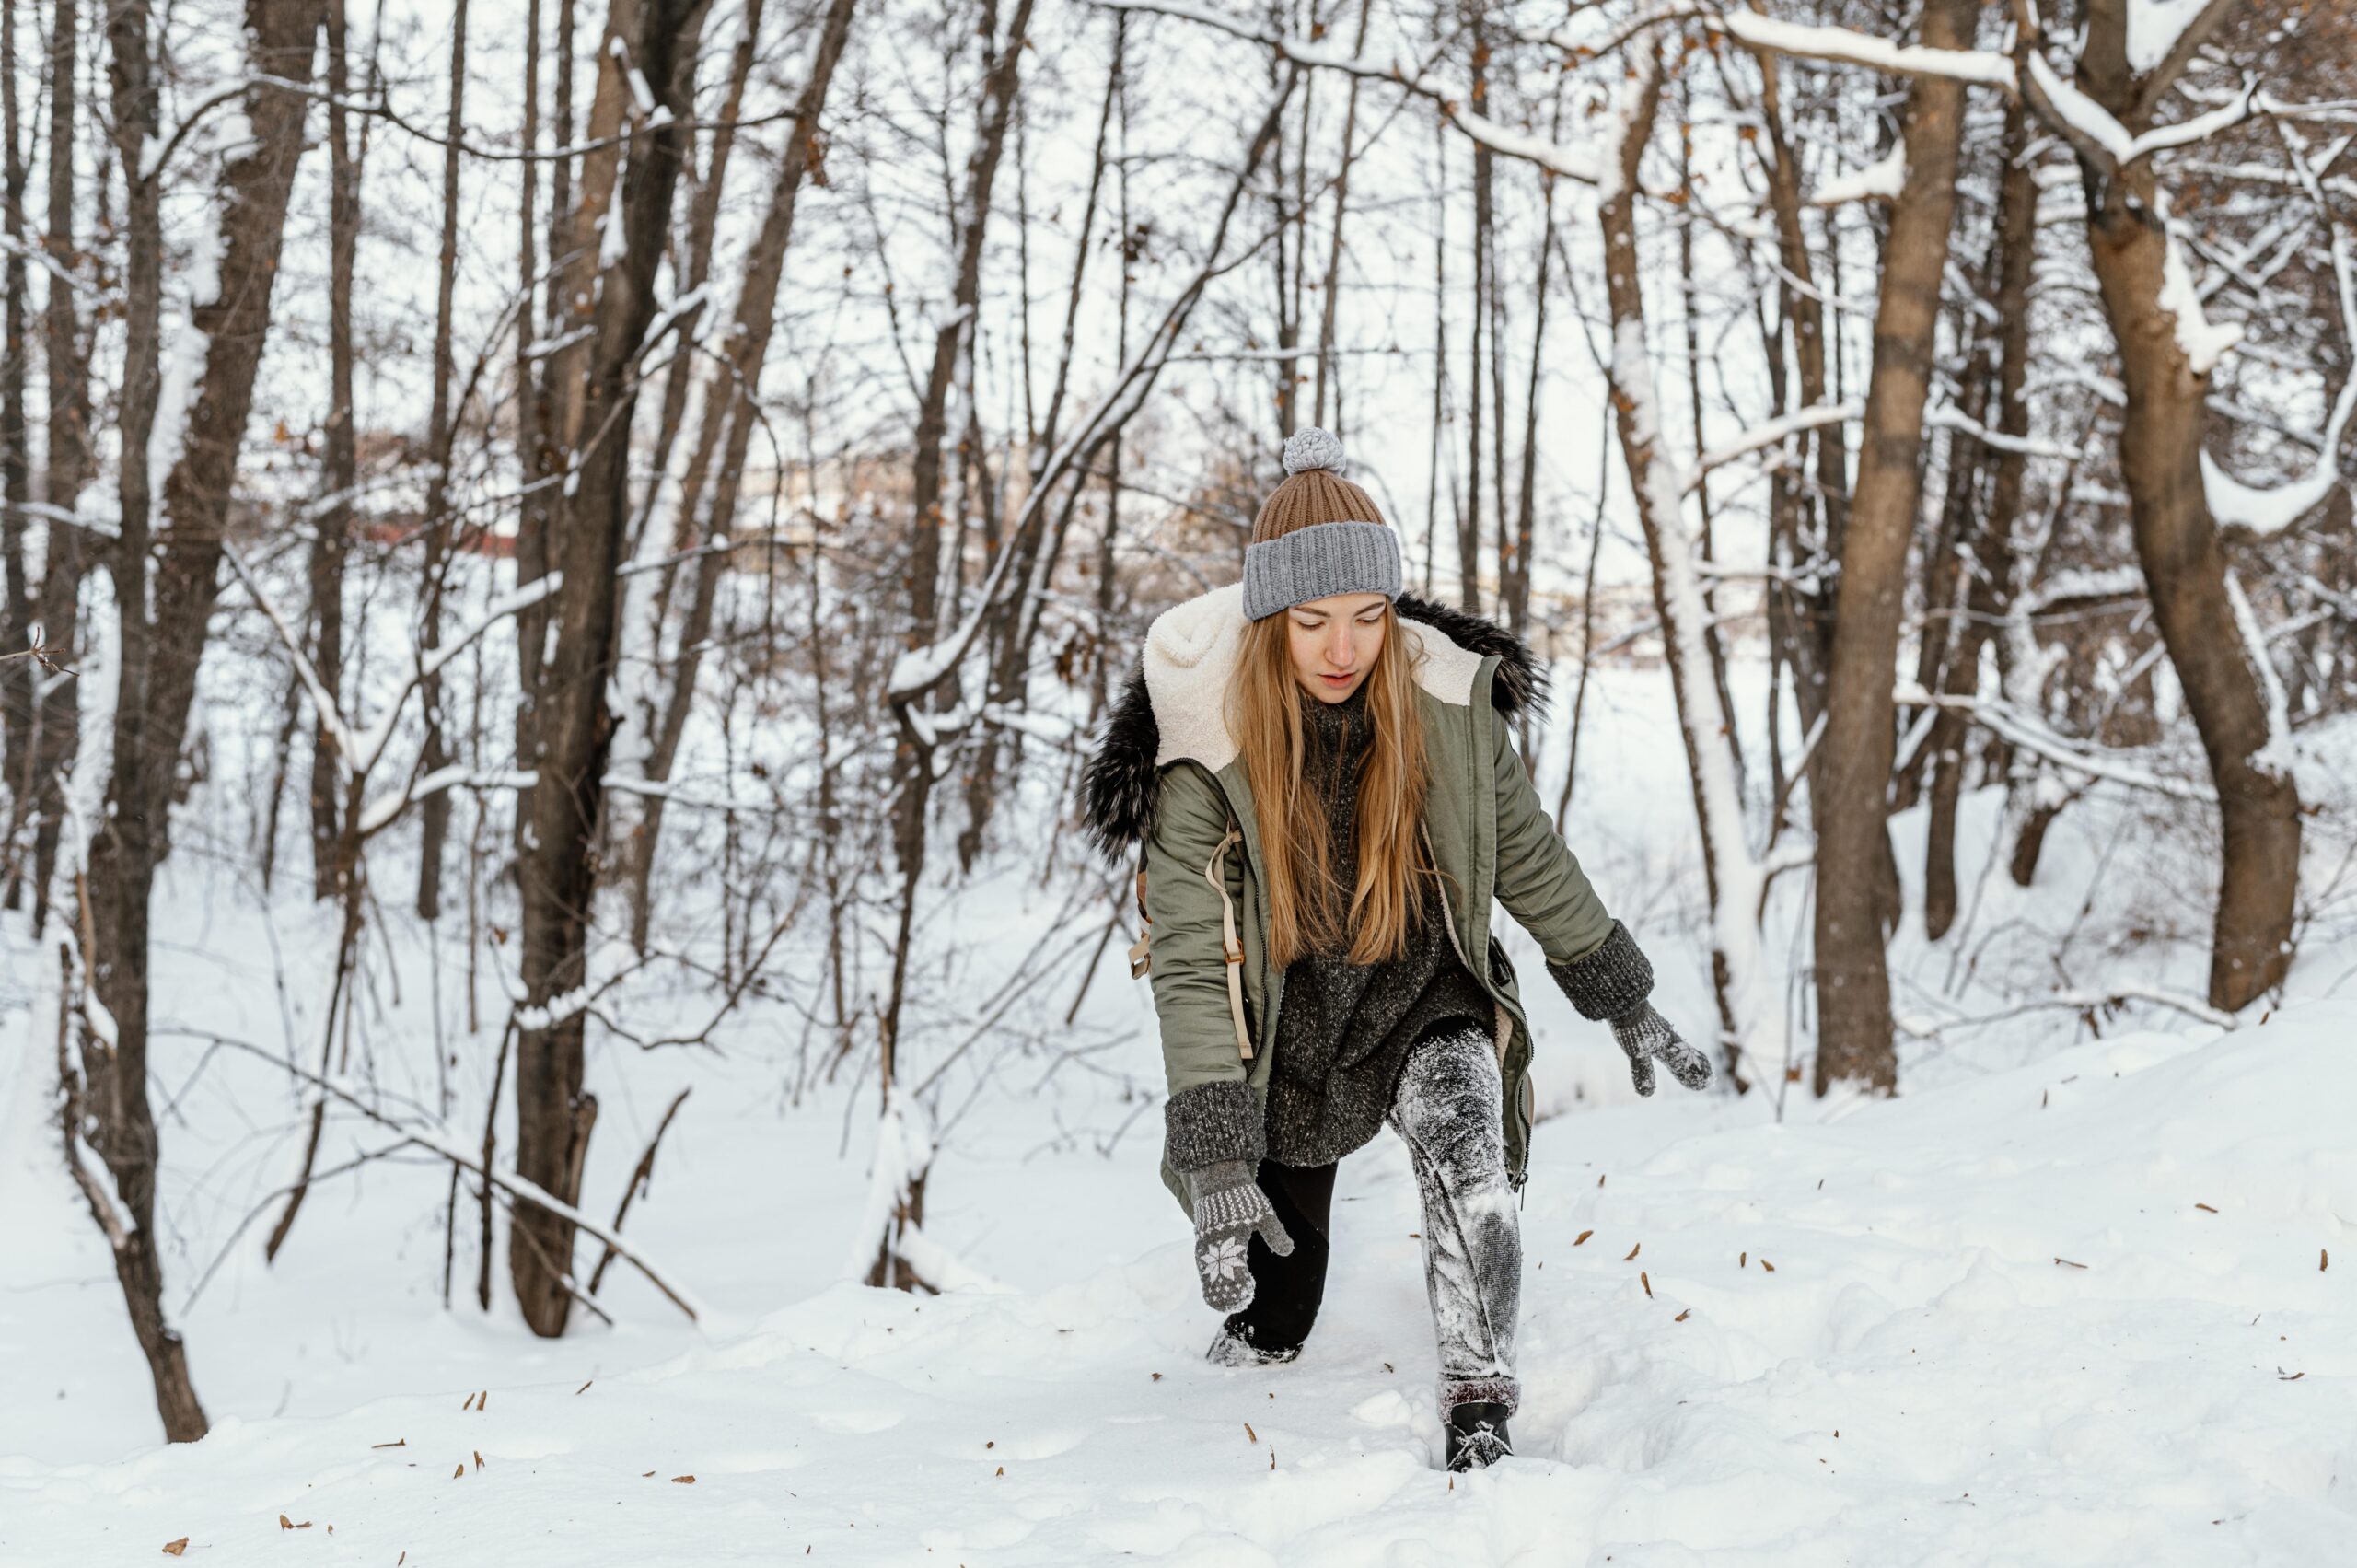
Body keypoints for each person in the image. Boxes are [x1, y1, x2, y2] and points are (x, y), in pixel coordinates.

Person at [1081, 426, 1712, 1472]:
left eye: (1368, 616)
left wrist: (1621, 990)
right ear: (1269, 619)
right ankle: (1238, 1361)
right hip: (1292, 1035)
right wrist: (1216, 1148)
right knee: (1278, 1315)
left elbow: (1527, 854)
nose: (1344, 648)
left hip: (1424, 994)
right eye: (1313, 621)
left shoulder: (1448, 710)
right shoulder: (1205, 750)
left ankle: (1480, 1406)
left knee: (1473, 1164)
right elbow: (1190, 956)